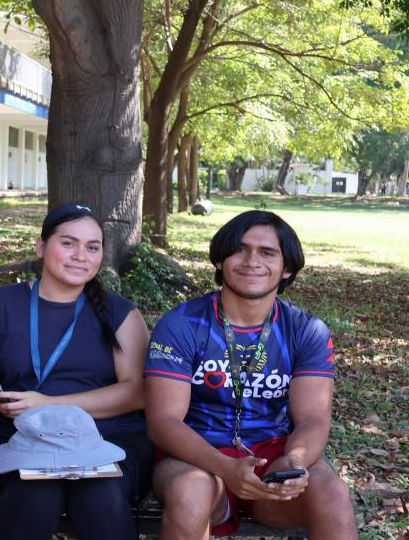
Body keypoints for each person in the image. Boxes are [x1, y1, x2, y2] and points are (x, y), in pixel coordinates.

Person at [144, 210, 357, 540]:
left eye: (267, 252)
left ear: (286, 268)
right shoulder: (182, 324)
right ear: (220, 260)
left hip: (273, 454)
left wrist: (294, 461)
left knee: (333, 494)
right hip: (196, 455)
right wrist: (224, 468)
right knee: (191, 494)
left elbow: (313, 417)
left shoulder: (306, 330)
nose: (251, 261)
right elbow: (163, 422)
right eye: (239, 249)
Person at [0, 203, 152, 540]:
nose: (81, 256)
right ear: (40, 246)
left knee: (99, 496)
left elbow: (138, 391)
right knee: (34, 497)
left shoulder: (121, 312)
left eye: (92, 247)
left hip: (109, 437)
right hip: (30, 438)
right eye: (68, 243)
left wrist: (48, 403)